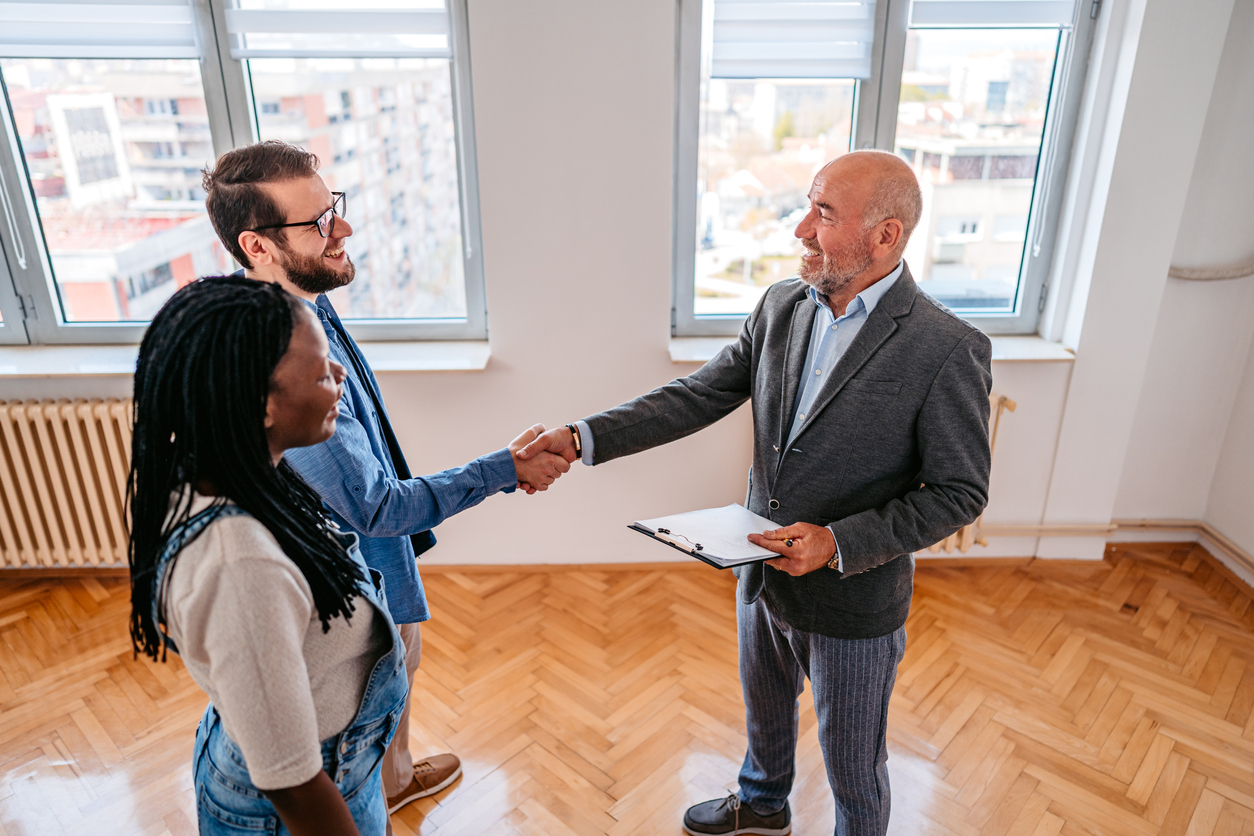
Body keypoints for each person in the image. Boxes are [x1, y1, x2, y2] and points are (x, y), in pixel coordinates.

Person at [518, 150, 993, 836]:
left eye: (824, 213)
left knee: (854, 766)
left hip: (853, 597)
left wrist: (836, 542)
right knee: (764, 714)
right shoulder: (781, 305)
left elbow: (958, 492)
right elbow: (699, 394)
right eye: (808, 205)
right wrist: (581, 436)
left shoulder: (947, 347)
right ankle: (763, 806)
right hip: (760, 573)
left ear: (885, 236)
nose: (801, 228)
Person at [199, 140, 569, 818]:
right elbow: (374, 506)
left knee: (402, 663)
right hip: (347, 586)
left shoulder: (306, 302)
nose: (341, 229)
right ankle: (374, 784)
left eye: (333, 208)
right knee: (379, 681)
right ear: (256, 245)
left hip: (376, 558)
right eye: (316, 223)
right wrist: (503, 469)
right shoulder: (279, 363)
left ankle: (394, 777)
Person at [128, 276, 407, 834]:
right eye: (323, 367)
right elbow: (293, 784)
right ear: (260, 406)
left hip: (340, 767)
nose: (340, 376)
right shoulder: (240, 566)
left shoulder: (231, 469)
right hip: (304, 801)